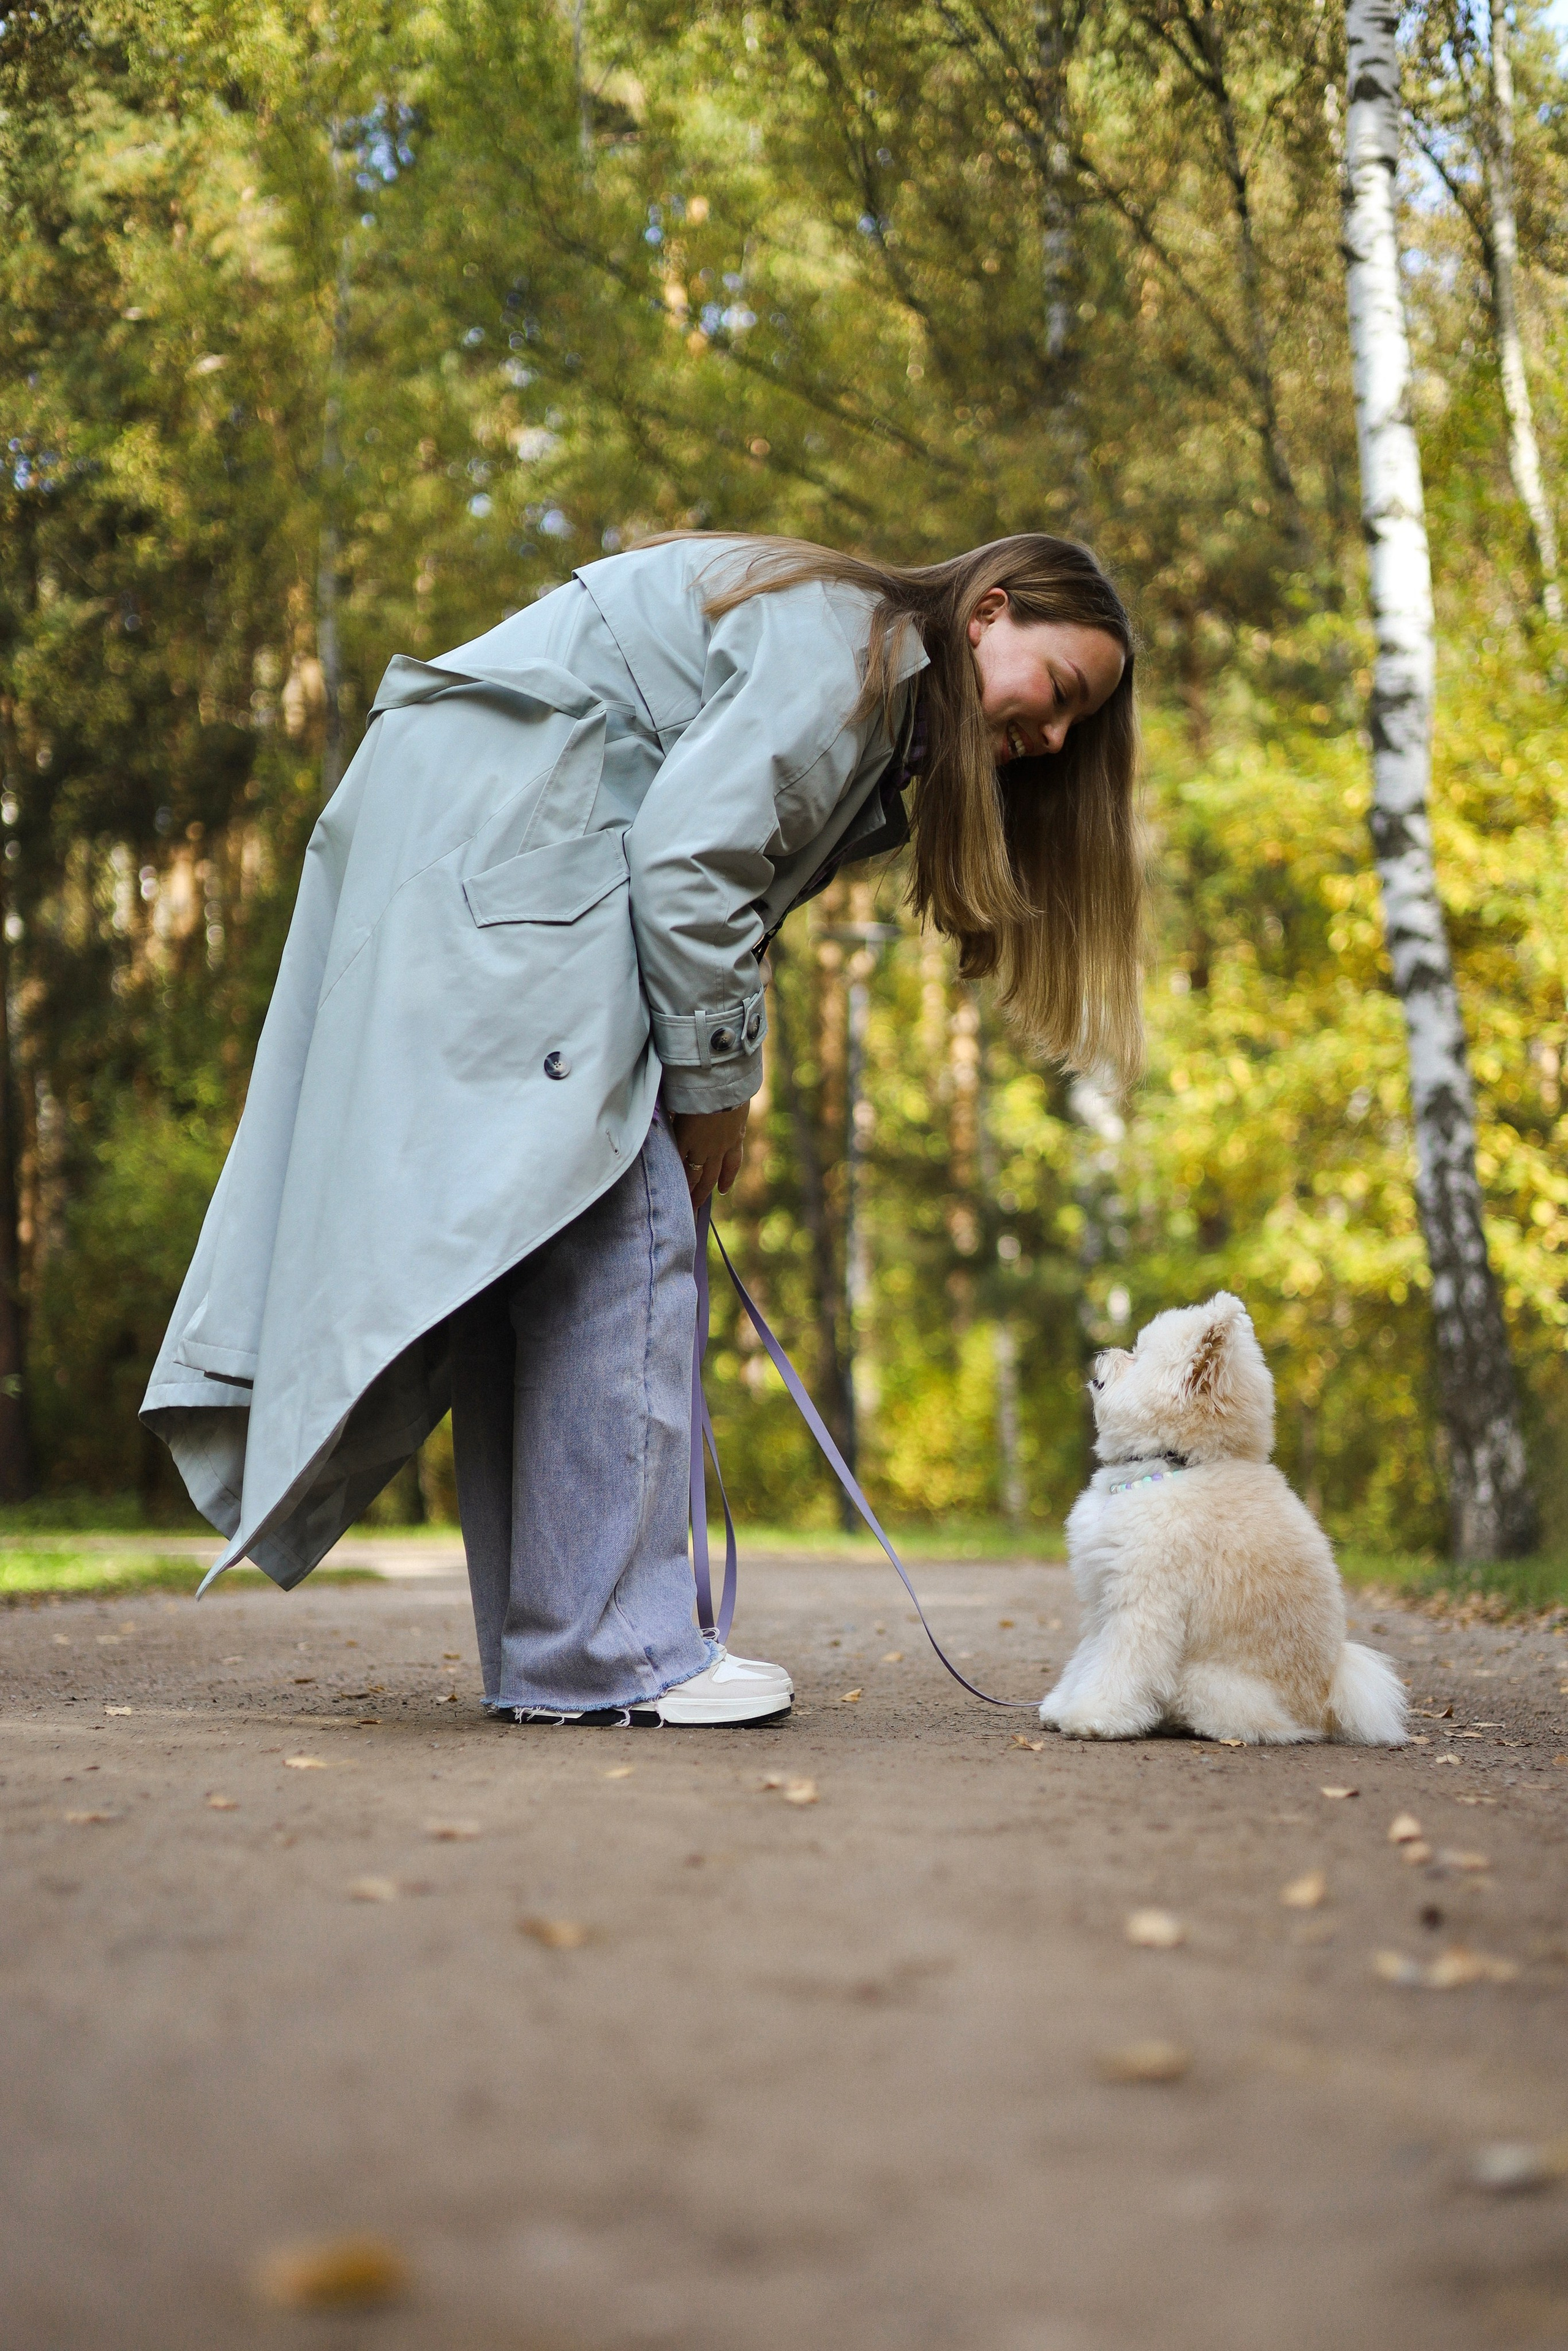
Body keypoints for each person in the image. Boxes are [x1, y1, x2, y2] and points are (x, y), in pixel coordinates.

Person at [141, 532, 1141, 1727]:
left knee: (551, 1232)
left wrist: (692, 1067)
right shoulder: (853, 652)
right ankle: (615, 1648)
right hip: (511, 839)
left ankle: (558, 1649)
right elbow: (686, 863)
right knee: (627, 1212)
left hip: (470, 831)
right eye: (1062, 692)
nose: (1054, 739)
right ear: (987, 612)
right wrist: (713, 1091)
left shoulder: (849, 652)